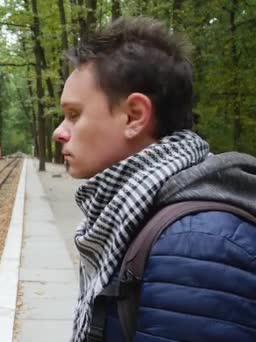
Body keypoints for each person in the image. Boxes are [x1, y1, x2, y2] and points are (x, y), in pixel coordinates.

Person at [52, 16, 256, 342]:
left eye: (74, 115)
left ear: (134, 116)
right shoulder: (134, 214)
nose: (59, 132)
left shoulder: (198, 245)